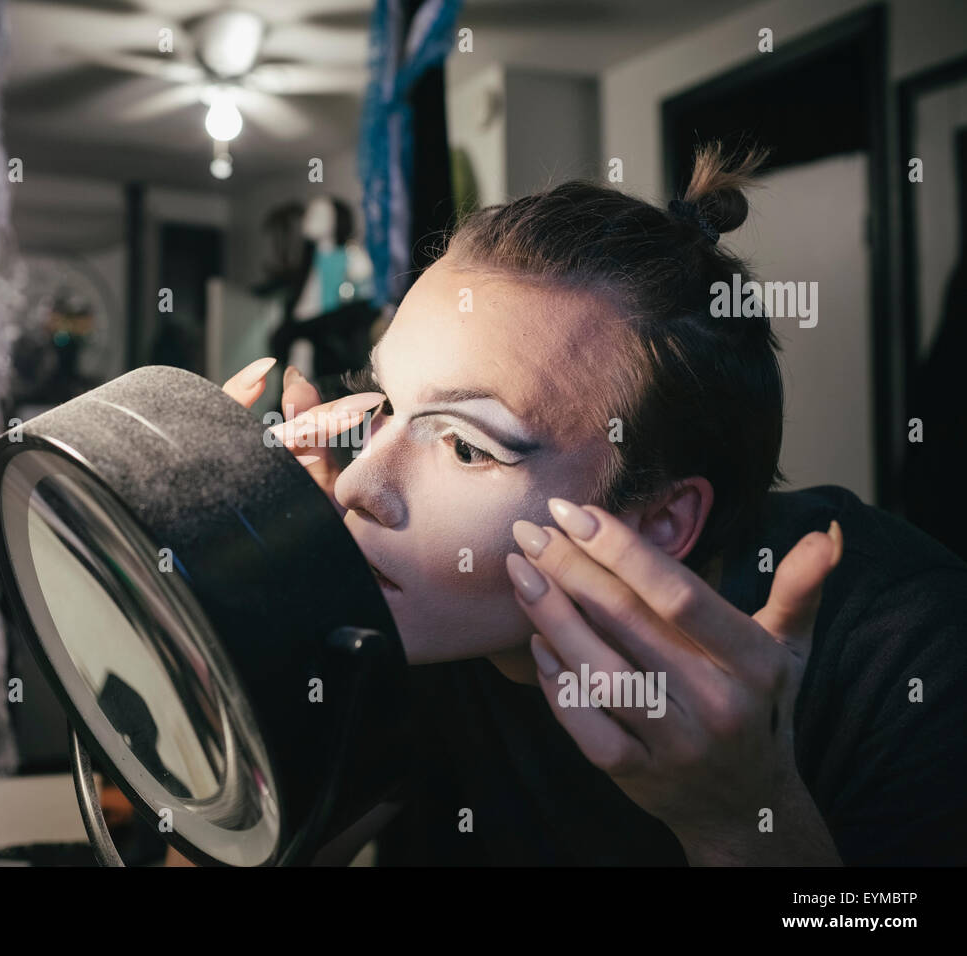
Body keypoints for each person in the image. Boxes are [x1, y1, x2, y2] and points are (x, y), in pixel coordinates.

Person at [197, 144, 967, 866]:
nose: (361, 485)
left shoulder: (911, 653)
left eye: (467, 447)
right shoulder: (405, 608)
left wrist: (741, 821)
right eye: (384, 405)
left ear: (661, 522)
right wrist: (229, 627)